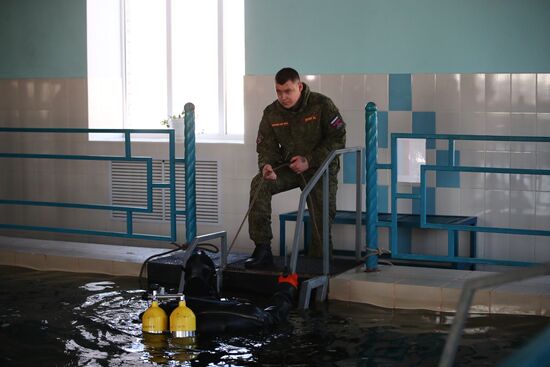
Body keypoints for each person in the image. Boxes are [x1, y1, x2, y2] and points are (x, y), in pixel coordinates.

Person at [245, 67, 346, 269]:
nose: (283, 97)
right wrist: (267, 166)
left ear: (299, 86)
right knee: (259, 183)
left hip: (321, 169)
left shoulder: (322, 104)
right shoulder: (272, 112)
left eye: (288, 91)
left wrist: (309, 160)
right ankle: (262, 249)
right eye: (279, 91)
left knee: (320, 220)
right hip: (290, 168)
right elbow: (266, 147)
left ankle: (320, 267)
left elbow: (338, 139)